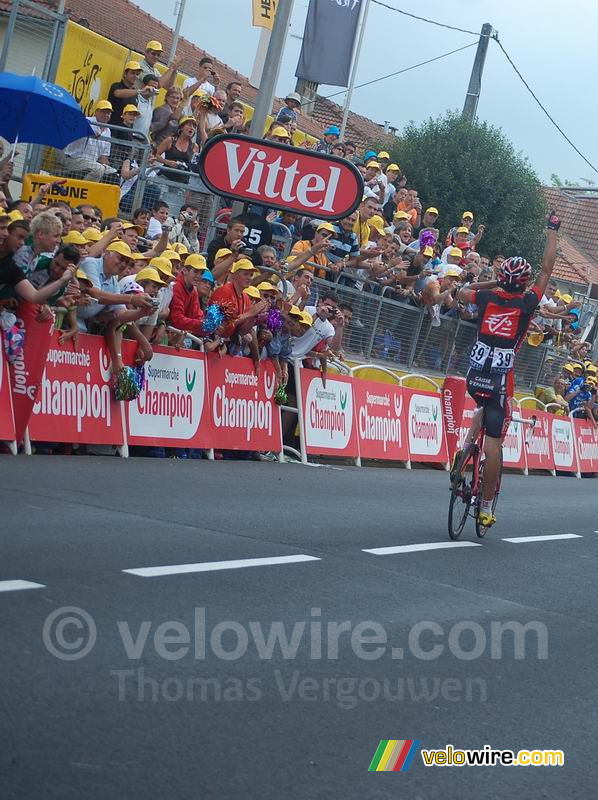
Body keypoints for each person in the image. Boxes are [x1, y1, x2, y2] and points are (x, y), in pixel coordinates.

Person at [454, 213, 560, 528]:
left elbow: (462, 291)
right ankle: (486, 507)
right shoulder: (527, 303)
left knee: (480, 407)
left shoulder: (486, 296)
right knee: (494, 445)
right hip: (501, 380)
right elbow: (547, 267)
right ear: (523, 283)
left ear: (502, 279)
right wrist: (551, 230)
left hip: (474, 375)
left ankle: (463, 451)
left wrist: (493, 282)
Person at [59, 100, 117, 181]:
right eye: (103, 112)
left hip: (91, 163)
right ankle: (82, 190)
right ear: (96, 112)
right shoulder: (88, 121)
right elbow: (78, 122)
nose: (106, 115)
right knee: (98, 169)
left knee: (114, 174)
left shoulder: (108, 131)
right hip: (73, 159)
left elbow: (103, 157)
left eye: (108, 113)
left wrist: (106, 166)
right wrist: (90, 130)